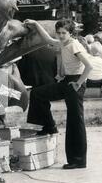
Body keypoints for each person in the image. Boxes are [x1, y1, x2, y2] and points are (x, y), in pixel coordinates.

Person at [24, 19, 93, 170]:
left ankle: (79, 161)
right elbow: (47, 39)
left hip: (75, 83)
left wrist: (79, 83)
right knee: (37, 93)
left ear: (70, 33)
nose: (61, 36)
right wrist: (36, 24)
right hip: (67, 81)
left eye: (64, 33)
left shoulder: (74, 44)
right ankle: (49, 126)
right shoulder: (63, 43)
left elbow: (89, 65)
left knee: (75, 121)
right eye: (59, 33)